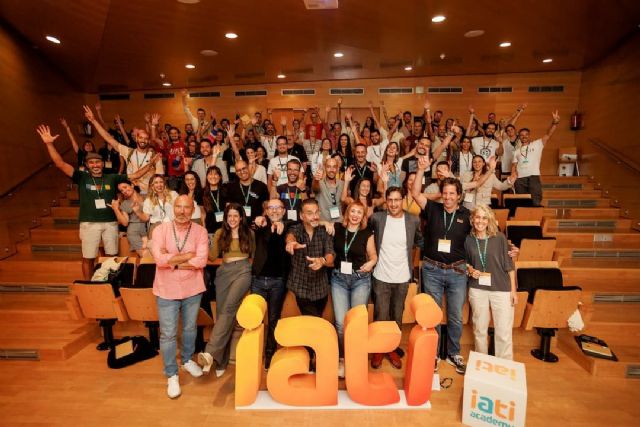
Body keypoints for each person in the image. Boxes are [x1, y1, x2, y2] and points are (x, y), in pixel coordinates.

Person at [37, 124, 153, 280]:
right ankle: (89, 286)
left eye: (98, 162)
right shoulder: (82, 177)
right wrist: (49, 143)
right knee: (88, 257)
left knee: (112, 256)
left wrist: (152, 163)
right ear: (87, 165)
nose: (95, 165)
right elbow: (60, 164)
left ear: (102, 164)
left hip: (111, 223)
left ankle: (109, 285)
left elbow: (135, 175)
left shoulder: (111, 178)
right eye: (91, 163)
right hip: (89, 223)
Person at [150, 195, 209, 398]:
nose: (182, 211)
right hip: (166, 288)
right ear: (172, 208)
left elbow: (201, 260)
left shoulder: (200, 232)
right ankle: (171, 374)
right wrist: (186, 256)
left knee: (190, 327)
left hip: (192, 288)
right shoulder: (160, 230)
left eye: (187, 207)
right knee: (167, 334)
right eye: (178, 207)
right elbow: (159, 259)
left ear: (193, 210)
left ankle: (186, 360)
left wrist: (172, 260)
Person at [198, 203, 254, 377]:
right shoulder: (220, 233)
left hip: (243, 271)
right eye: (229, 216)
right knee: (223, 313)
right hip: (223, 273)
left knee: (229, 308)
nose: (232, 219)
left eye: (236, 216)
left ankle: (209, 352)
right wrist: (204, 236)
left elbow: (253, 256)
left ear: (241, 217)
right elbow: (213, 256)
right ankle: (220, 361)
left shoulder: (249, 233)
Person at [369, 186, 421, 369]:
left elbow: (420, 242)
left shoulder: (413, 220)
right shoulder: (377, 218)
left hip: (402, 278)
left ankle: (391, 349)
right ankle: (378, 349)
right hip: (381, 276)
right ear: (386, 200)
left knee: (396, 316)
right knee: (381, 316)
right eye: (390, 200)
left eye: (397, 200)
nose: (393, 204)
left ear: (403, 200)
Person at [285, 199, 336, 368]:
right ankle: (316, 357)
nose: (314, 216)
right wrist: (290, 243)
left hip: (320, 288)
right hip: (301, 287)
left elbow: (330, 256)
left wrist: (323, 260)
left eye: (316, 212)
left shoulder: (324, 231)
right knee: (313, 323)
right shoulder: (296, 230)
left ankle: (311, 354)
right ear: (301, 215)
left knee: (314, 322)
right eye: (309, 213)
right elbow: (290, 236)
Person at [330, 201, 376, 377]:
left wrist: (371, 262)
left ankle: (354, 358)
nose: (355, 215)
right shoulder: (337, 228)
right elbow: (317, 222)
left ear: (363, 216)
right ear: (347, 213)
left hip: (360, 280)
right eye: (353, 211)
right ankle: (342, 359)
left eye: (359, 212)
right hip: (339, 280)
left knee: (356, 323)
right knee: (341, 324)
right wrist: (326, 223)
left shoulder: (367, 233)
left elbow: (373, 255)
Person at [465, 204, 517, 360]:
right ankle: (482, 363)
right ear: (472, 219)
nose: (480, 221)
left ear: (489, 220)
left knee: (503, 332)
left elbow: (510, 266)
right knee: (479, 330)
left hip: (501, 290)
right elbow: (465, 262)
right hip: (477, 289)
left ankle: (505, 365)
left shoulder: (499, 237)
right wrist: (470, 270)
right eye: (477, 217)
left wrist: (513, 291)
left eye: (484, 217)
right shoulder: (468, 239)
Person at [83, 107, 164, 195]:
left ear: (148, 141)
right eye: (141, 138)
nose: (143, 141)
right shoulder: (128, 152)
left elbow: (160, 178)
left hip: (150, 193)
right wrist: (93, 120)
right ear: (136, 138)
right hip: (132, 193)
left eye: (146, 139)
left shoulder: (154, 156)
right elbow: (108, 138)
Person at [251, 198, 291, 369]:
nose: (274, 211)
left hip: (278, 281)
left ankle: (269, 353)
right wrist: (255, 220)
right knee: (255, 319)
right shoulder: (260, 225)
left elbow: (295, 230)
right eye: (271, 208)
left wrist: (285, 231)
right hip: (258, 280)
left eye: (278, 208)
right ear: (266, 211)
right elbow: (249, 225)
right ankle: (253, 352)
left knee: (274, 318)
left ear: (283, 211)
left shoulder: (290, 226)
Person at [511, 111, 560, 206]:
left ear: (529, 135)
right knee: (522, 202)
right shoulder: (516, 151)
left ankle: (535, 219)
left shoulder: (537, 144)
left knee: (536, 200)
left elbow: (548, 134)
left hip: (534, 176)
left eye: (526, 134)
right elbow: (514, 166)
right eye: (521, 135)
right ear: (519, 137)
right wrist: (513, 178)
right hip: (520, 179)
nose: (524, 136)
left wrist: (555, 123)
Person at [111, 181, 150, 257]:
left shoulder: (147, 197)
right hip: (134, 232)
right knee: (146, 255)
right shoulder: (125, 203)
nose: (124, 191)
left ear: (132, 185)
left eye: (125, 187)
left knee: (154, 254)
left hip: (148, 229)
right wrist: (116, 209)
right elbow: (125, 222)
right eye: (121, 190)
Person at [227, 159, 269, 225]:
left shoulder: (261, 186)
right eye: (239, 170)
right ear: (236, 173)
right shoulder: (231, 187)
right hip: (238, 225)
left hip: (256, 225)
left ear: (248, 168)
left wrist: (262, 219)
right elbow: (228, 208)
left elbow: (266, 206)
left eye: (244, 168)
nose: (242, 172)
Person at [312, 157, 344, 222]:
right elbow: (315, 188)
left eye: (334, 167)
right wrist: (316, 179)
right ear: (325, 168)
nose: (331, 170)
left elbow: (344, 202)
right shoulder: (319, 183)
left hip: (338, 223)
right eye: (328, 167)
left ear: (337, 169)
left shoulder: (342, 184)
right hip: (323, 224)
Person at [202, 166, 228, 236]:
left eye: (216, 174)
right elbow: (203, 214)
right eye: (210, 174)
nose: (213, 176)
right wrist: (204, 230)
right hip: (210, 230)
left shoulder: (226, 190)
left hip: (226, 229)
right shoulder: (202, 192)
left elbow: (229, 210)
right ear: (207, 177)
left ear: (220, 177)